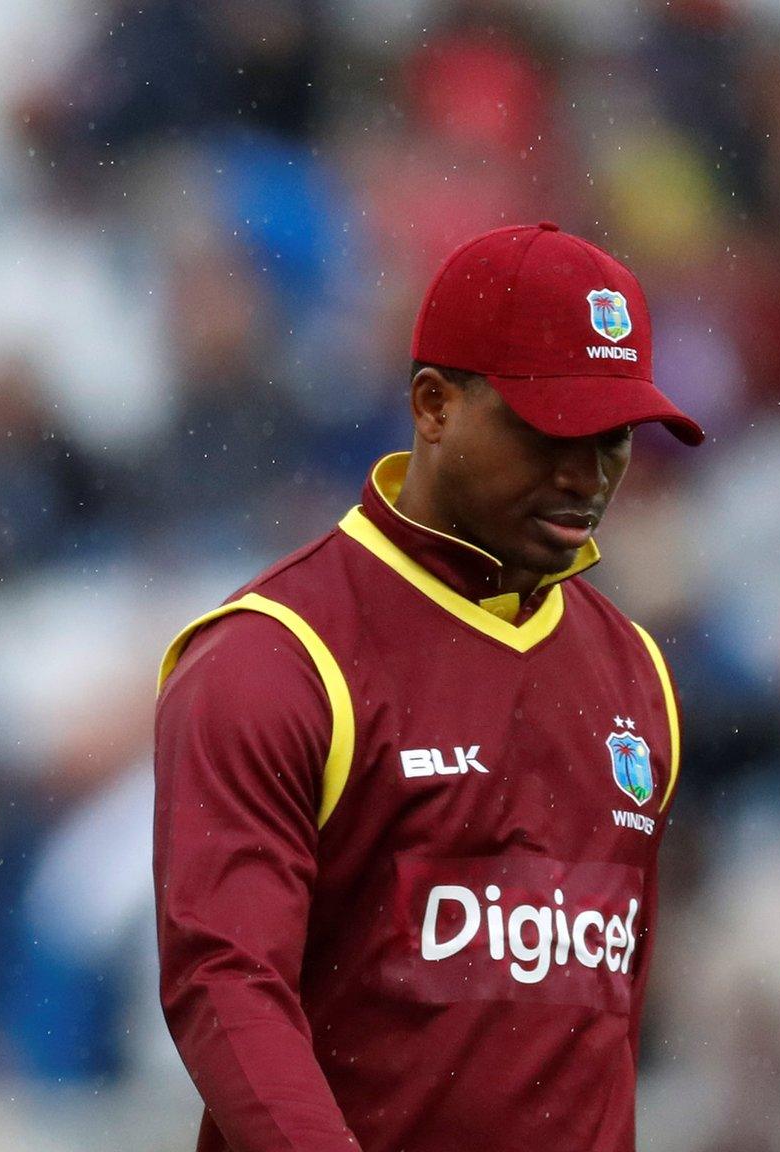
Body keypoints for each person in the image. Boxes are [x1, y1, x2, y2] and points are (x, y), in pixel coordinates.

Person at [152, 222, 703, 1152]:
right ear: (434, 404)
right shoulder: (275, 657)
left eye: (613, 438)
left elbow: (597, 1031)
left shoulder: (637, 673)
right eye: (548, 430)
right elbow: (224, 983)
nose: (585, 474)